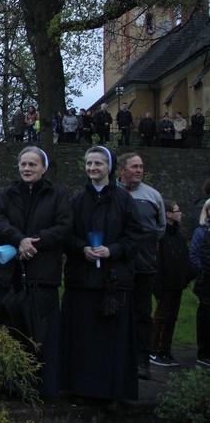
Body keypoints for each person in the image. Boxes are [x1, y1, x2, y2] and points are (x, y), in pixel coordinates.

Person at [60, 146, 143, 409]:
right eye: (89, 163)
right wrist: (81, 248)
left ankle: (112, 392)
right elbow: (65, 235)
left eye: (98, 163)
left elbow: (135, 236)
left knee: (111, 343)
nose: (93, 168)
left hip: (113, 281)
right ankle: (80, 389)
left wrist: (112, 250)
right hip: (83, 281)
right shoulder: (76, 200)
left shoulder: (124, 200)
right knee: (83, 341)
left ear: (109, 167)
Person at [0, 146, 72, 397]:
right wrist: (18, 239)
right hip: (9, 274)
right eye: (23, 164)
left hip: (41, 272)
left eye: (32, 164)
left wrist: (34, 241)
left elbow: (64, 225)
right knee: (5, 329)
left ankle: (37, 386)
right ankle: (2, 382)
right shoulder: (8, 193)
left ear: (43, 168)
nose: (27, 169)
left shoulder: (57, 195)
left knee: (39, 334)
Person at [116, 152, 166, 380]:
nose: (138, 170)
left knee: (142, 314)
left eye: (141, 167)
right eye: (134, 167)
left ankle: (141, 360)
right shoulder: (112, 193)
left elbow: (161, 228)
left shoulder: (153, 196)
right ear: (121, 170)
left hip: (144, 265)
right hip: (116, 266)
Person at [150, 199, 194, 367]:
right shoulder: (161, 236)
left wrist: (187, 275)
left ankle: (165, 348)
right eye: (177, 211)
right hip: (165, 283)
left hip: (177, 283)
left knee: (172, 318)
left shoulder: (177, 235)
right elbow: (159, 262)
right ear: (168, 214)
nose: (180, 213)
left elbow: (183, 257)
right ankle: (153, 348)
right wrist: (158, 285)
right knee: (162, 316)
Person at [189, 199, 210, 368]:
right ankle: (203, 352)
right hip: (207, 279)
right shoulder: (201, 232)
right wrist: (203, 271)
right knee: (205, 315)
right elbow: (194, 254)